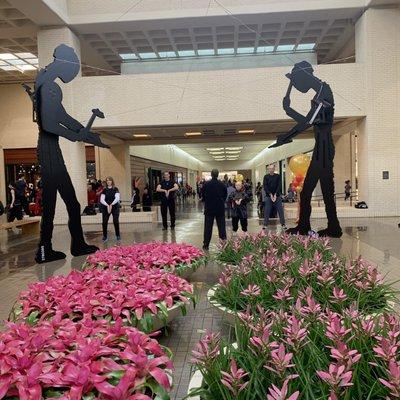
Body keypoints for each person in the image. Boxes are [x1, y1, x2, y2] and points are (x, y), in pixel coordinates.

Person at [27, 44, 104, 263]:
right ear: (65, 63)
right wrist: (74, 135)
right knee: (70, 202)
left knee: (53, 203)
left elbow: (60, 115)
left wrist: (83, 132)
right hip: (50, 150)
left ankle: (45, 249)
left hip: (48, 148)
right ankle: (72, 245)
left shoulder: (43, 80)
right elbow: (51, 123)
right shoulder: (49, 85)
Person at [270, 60, 342, 237]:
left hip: (324, 149)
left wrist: (286, 136)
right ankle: (330, 227)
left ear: (305, 76)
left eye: (296, 82)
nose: (295, 86)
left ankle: (312, 227)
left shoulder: (324, 92)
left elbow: (307, 122)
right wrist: (288, 110)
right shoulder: (320, 91)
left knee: (314, 190)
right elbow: (308, 121)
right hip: (321, 148)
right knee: (322, 190)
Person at [202, 169, 227, 250]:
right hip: (220, 208)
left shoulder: (206, 184)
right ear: (218, 174)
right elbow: (225, 195)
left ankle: (206, 244)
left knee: (208, 227)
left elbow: (203, 195)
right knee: (221, 227)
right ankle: (223, 243)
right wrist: (221, 201)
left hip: (209, 208)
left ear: (211, 174)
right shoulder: (222, 184)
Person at [263, 164, 286, 230]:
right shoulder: (266, 177)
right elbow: (265, 186)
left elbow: (279, 185)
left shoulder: (278, 176)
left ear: (274, 169)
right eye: (270, 169)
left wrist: (275, 194)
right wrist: (270, 194)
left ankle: (283, 224)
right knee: (267, 210)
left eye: (272, 168)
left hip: (277, 196)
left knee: (280, 210)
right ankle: (265, 224)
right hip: (268, 196)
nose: (271, 170)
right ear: (268, 170)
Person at [100, 176, 121, 242]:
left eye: (109, 180)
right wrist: (107, 205)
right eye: (107, 180)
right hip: (106, 207)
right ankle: (105, 236)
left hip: (114, 207)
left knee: (115, 221)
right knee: (104, 222)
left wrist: (111, 204)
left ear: (112, 181)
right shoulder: (104, 190)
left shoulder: (115, 189)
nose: (108, 181)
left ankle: (118, 235)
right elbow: (101, 199)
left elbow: (117, 198)